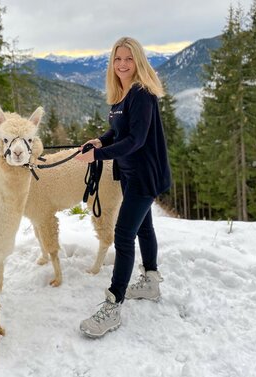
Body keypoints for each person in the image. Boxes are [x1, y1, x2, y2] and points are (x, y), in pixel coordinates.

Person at [75, 36, 171, 338]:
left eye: (128, 59)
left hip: (144, 174)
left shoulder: (141, 93)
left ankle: (113, 305)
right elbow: (119, 131)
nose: (122, 64)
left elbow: (136, 140)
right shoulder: (122, 93)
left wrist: (98, 155)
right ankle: (151, 281)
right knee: (143, 228)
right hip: (129, 173)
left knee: (124, 234)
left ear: (138, 61)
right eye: (118, 59)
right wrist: (100, 141)